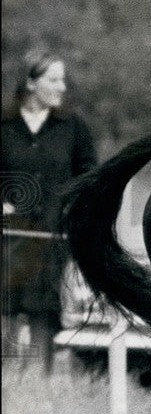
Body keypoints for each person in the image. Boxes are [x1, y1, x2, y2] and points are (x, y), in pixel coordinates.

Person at [2, 48, 97, 370]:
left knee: (45, 309)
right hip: (8, 235)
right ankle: (7, 382)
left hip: (52, 235)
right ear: (31, 83)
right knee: (6, 308)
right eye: (53, 80)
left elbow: (89, 176)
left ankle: (40, 382)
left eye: (63, 80)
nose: (62, 87)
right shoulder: (5, 124)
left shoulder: (73, 127)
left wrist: (74, 211)